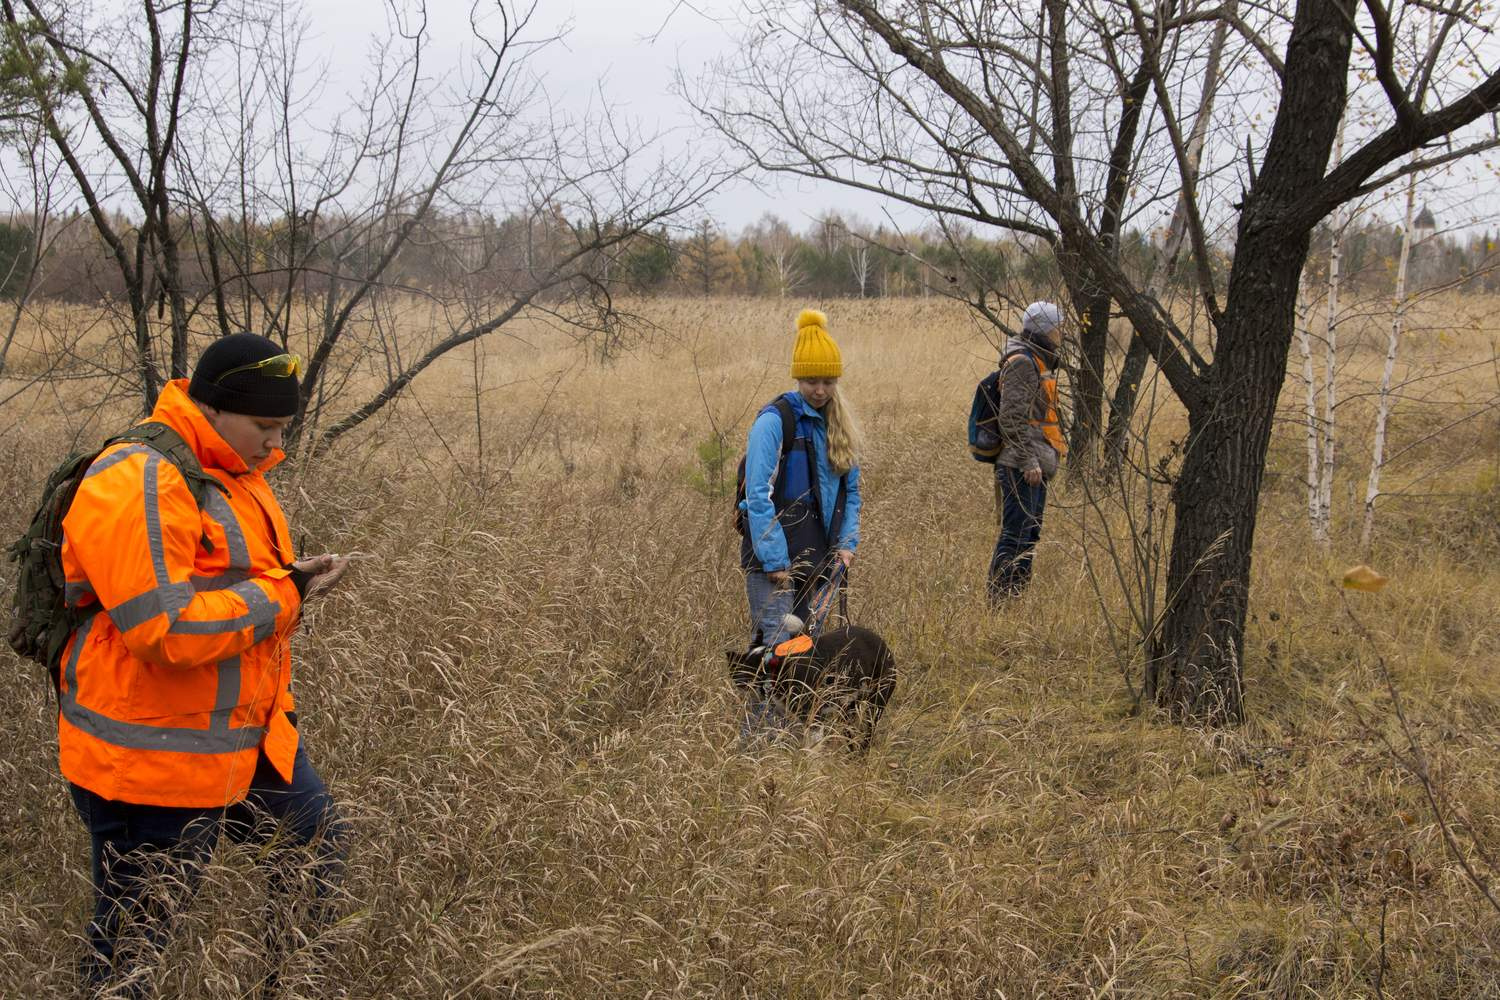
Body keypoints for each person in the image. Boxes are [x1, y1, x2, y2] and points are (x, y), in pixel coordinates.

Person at [57, 333, 352, 997]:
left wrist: (289, 583)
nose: (275, 443)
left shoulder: (228, 470)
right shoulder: (140, 478)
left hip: (242, 740)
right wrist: (288, 594)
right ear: (214, 407)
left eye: (283, 426)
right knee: (132, 947)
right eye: (264, 425)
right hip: (151, 760)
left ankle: (284, 986)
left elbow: (233, 578)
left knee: (312, 848)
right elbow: (165, 630)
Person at [739, 309, 863, 689]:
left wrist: (846, 546)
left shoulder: (838, 426)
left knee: (802, 658)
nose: (820, 390)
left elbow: (852, 493)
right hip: (773, 564)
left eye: (827, 381)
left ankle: (793, 741)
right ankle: (760, 741)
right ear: (798, 376)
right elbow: (757, 494)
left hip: (819, 562)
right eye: (811, 380)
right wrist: (775, 560)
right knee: (773, 659)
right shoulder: (775, 422)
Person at [987, 301, 1069, 601]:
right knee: (1014, 536)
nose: (1062, 333)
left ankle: (1015, 601)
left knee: (1028, 537)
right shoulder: (1024, 362)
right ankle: (998, 603)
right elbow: (1011, 419)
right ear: (1045, 329)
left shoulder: (1038, 359)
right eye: (1059, 327)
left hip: (1034, 465)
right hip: (1021, 466)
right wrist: (1029, 461)